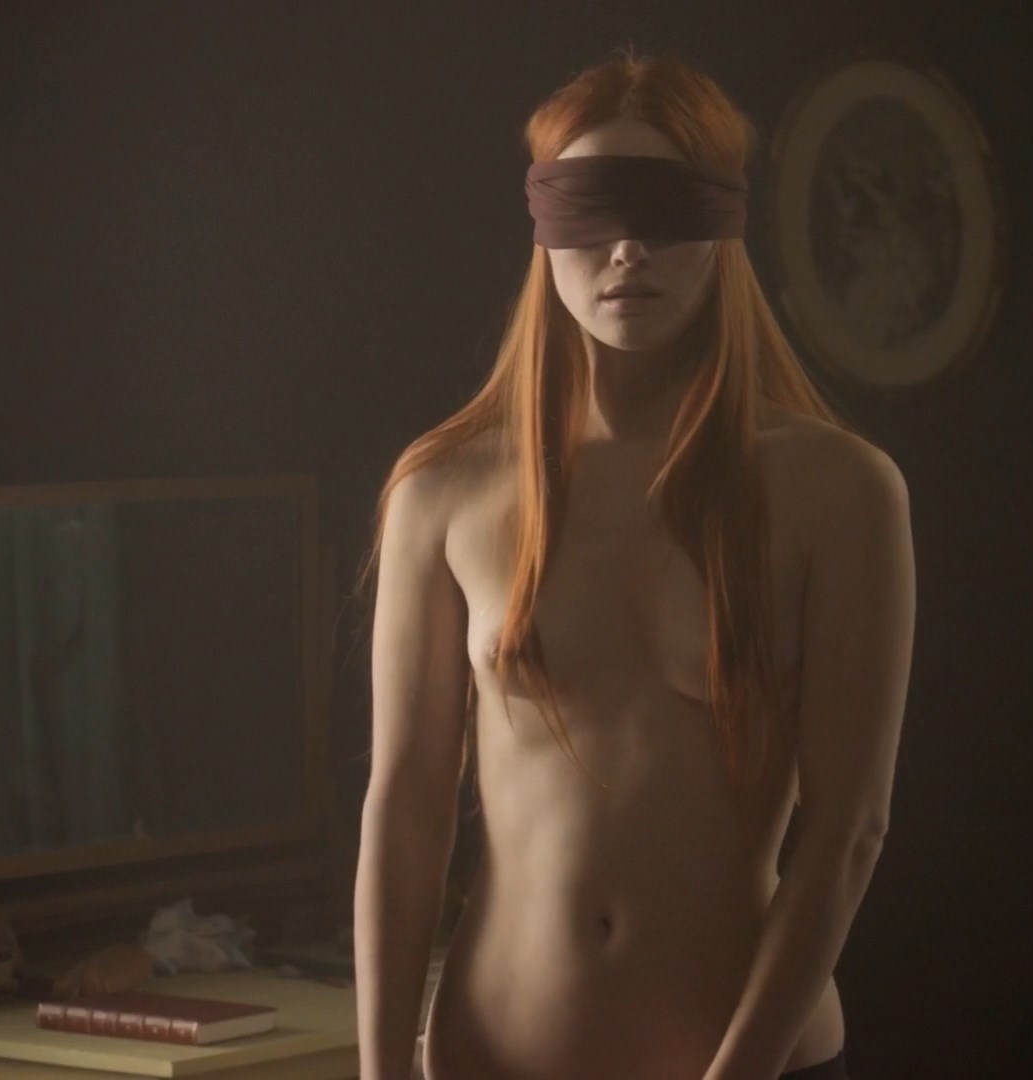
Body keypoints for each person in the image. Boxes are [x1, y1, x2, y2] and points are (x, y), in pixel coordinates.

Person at [353, 48, 915, 1080]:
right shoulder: (443, 493)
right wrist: (381, 1072)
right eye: (593, 209)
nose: (627, 249)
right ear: (542, 224)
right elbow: (406, 809)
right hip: (494, 1057)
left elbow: (850, 827)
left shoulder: (839, 492)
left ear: (725, 226)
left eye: (663, 210)